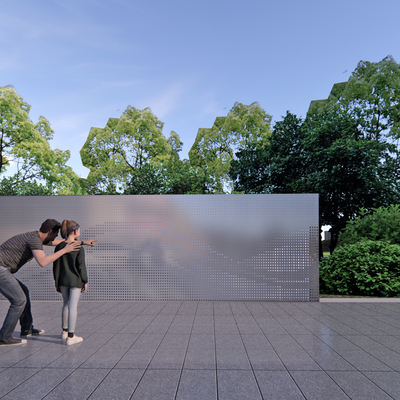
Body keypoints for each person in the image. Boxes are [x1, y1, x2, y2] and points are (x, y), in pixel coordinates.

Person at [0, 219, 86, 346]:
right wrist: (63, 251)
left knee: (24, 291)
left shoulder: (35, 237)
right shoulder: (34, 240)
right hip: (1, 269)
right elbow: (43, 262)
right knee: (19, 301)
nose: (57, 236)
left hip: (3, 269)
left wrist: (83, 242)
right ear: (50, 231)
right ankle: (4, 337)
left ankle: (27, 329)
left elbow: (62, 242)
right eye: (56, 233)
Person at [53, 220, 88, 345]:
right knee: (73, 307)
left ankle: (64, 331)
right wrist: (85, 280)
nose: (79, 232)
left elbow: (56, 266)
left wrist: (57, 282)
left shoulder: (59, 246)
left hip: (62, 280)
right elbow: (81, 267)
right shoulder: (78, 247)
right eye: (79, 230)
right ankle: (71, 336)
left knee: (65, 305)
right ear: (74, 231)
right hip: (75, 280)